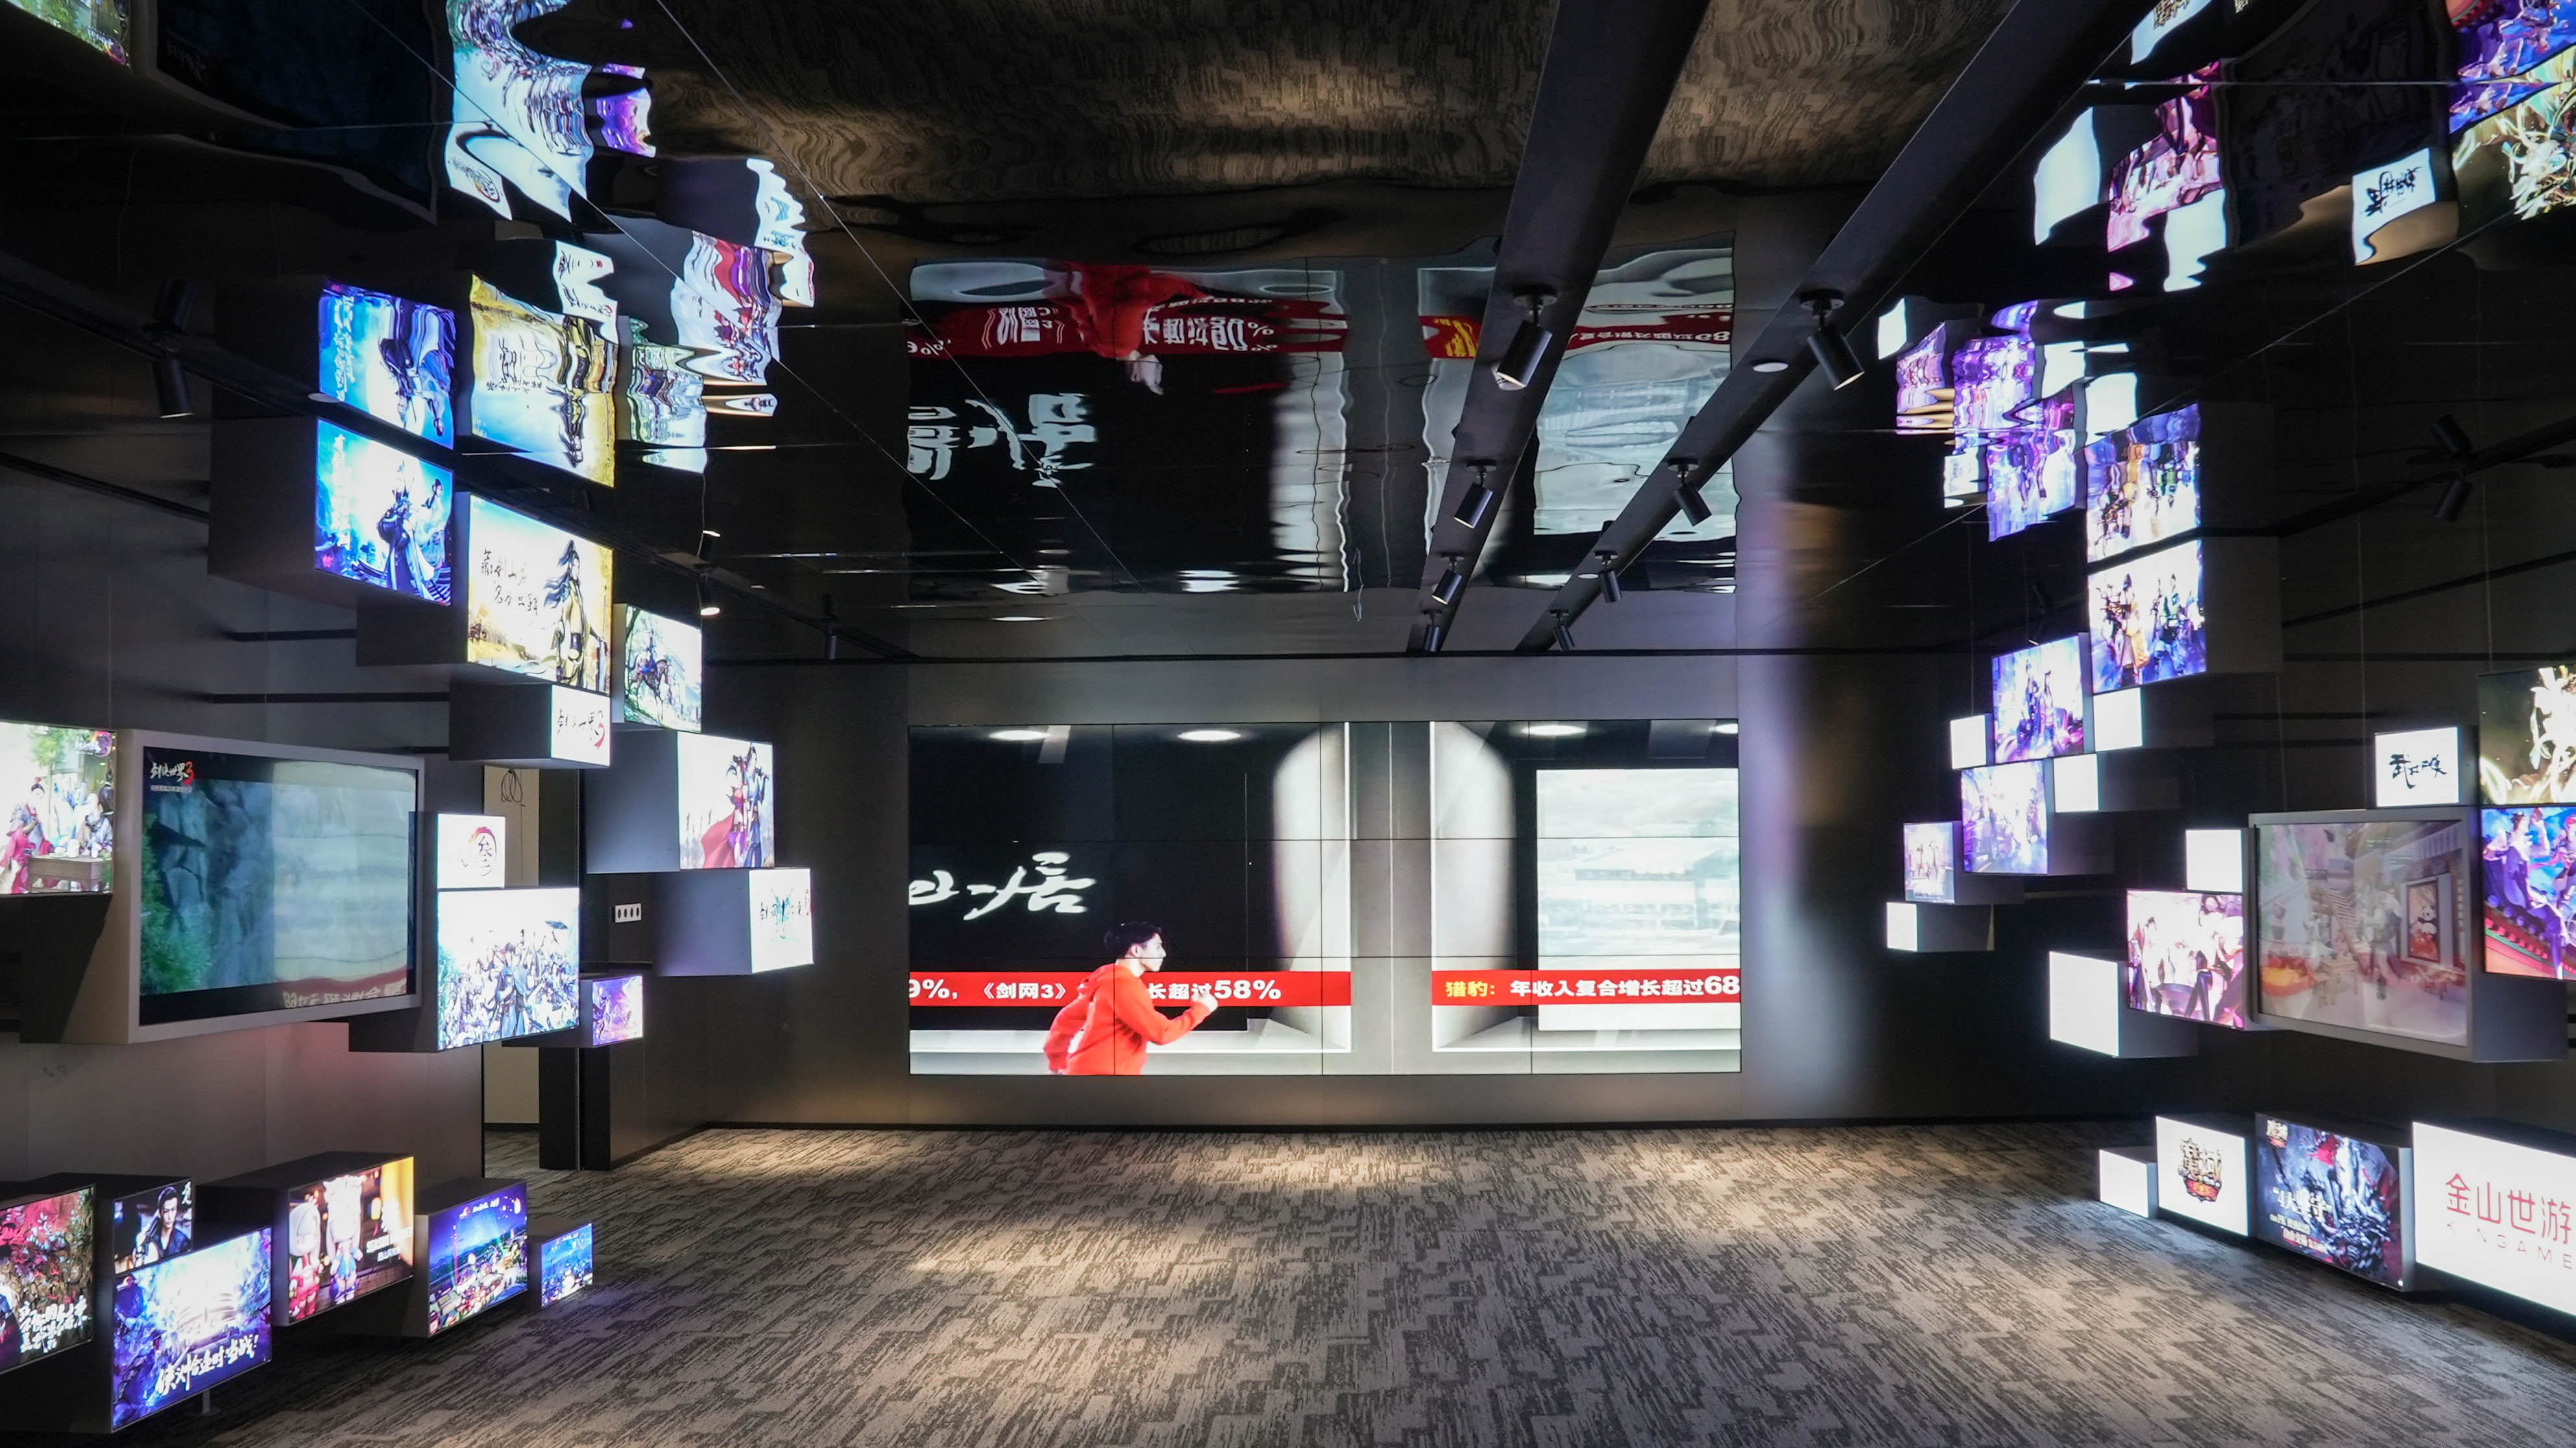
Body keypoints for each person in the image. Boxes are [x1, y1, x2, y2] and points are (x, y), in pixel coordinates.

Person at [1043, 922, 1219, 1076]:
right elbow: (1161, 1033)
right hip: (1106, 1081)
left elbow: (1066, 1020)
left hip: (1089, 1077)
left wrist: (1057, 1060)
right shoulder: (1123, 986)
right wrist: (1201, 1010)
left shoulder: (1107, 980)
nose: (1163, 953)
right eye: (1157, 947)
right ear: (1135, 950)